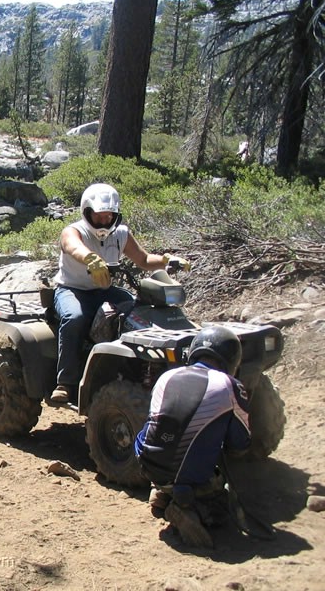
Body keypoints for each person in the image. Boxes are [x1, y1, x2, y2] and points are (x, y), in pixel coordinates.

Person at [50, 183, 190, 404]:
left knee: (139, 310)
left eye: (109, 216)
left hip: (105, 291)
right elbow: (72, 246)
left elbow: (143, 260)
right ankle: (65, 383)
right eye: (99, 216)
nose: (104, 221)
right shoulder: (74, 231)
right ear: (87, 212)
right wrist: (90, 259)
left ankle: (133, 366)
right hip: (72, 290)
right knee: (74, 318)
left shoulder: (121, 233)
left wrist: (165, 260)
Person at [134, 326, 250, 549]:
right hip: (188, 472)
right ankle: (189, 507)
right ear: (232, 360)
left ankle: (161, 489)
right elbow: (240, 443)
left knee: (169, 434)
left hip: (147, 462)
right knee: (221, 508)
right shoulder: (230, 386)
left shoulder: (167, 376)